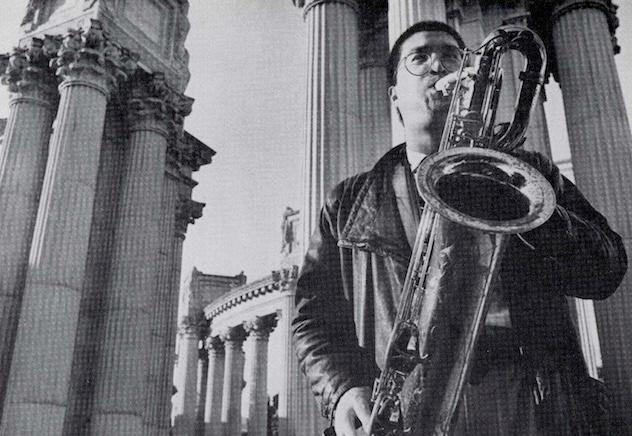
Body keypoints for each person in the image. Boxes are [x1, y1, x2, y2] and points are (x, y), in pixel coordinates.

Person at [291, 20, 628, 436]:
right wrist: (342, 388)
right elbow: (314, 317)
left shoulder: (529, 172)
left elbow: (606, 269)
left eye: (451, 56)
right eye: (420, 58)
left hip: (528, 401)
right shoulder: (345, 202)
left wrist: (535, 214)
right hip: (409, 407)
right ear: (395, 96)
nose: (438, 65)